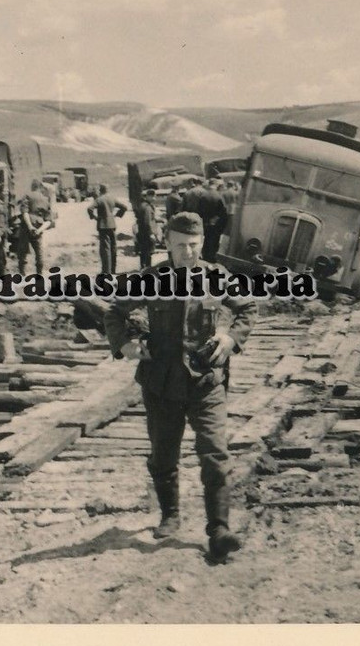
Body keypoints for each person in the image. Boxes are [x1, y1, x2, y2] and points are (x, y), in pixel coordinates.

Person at [104, 212, 258, 561]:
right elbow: (114, 313)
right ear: (167, 244)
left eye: (193, 245)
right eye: (180, 246)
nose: (187, 252)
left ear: (201, 243)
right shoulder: (150, 279)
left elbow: (247, 308)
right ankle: (170, 515)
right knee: (163, 454)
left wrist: (230, 338)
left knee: (216, 453)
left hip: (206, 381)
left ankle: (219, 528)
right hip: (161, 382)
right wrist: (125, 343)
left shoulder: (216, 276)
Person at [87, 183, 128, 274]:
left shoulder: (99, 199)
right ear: (108, 190)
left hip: (103, 226)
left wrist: (94, 217)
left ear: (100, 190)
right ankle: (113, 270)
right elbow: (124, 207)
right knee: (113, 248)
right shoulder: (112, 198)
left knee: (105, 249)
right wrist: (117, 215)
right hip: (112, 225)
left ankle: (106, 271)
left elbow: (89, 209)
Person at [17, 180, 54, 275]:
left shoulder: (27, 196)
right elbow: (49, 220)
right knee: (39, 252)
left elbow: (25, 212)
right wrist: (39, 230)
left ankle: (22, 273)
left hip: (26, 226)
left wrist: (30, 227)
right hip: (39, 226)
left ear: (32, 187)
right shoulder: (46, 199)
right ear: (40, 187)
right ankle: (39, 273)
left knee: (22, 251)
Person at [133, 189, 159, 269]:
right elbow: (147, 222)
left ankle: (143, 268)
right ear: (149, 196)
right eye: (154, 196)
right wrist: (151, 233)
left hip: (142, 232)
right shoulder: (147, 207)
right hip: (147, 233)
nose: (155, 198)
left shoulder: (142, 205)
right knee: (148, 253)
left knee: (143, 252)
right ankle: (147, 270)